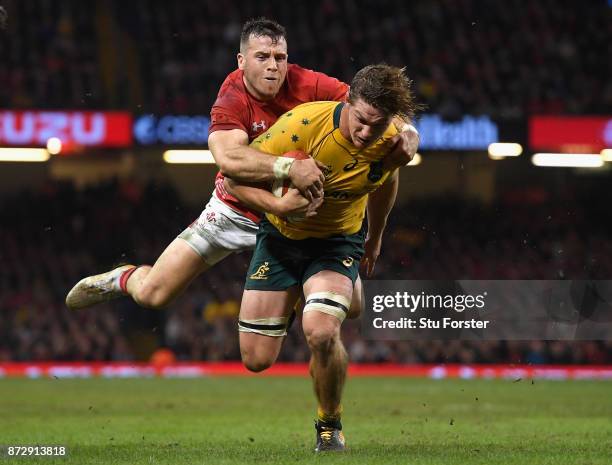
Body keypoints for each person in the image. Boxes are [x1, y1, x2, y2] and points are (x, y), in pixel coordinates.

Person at [65, 18, 419, 331]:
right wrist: (289, 167)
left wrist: (409, 134)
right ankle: (121, 278)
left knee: (353, 307)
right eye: (262, 57)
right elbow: (229, 159)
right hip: (236, 211)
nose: (273, 67)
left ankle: (297, 297)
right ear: (241, 61)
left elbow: (372, 106)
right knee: (154, 294)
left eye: (279, 58)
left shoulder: (309, 83)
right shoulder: (232, 97)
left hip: (297, 222)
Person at [226, 63, 417, 451]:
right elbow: (233, 180)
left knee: (321, 331)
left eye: (377, 127)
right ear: (347, 101)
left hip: (337, 242)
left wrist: (376, 237)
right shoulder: (301, 127)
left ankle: (329, 426)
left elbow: (385, 180)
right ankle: (322, 293)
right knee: (256, 359)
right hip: (280, 239)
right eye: (361, 121)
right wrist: (279, 207)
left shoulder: (393, 140)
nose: (366, 134)